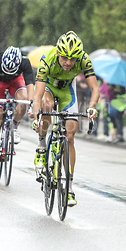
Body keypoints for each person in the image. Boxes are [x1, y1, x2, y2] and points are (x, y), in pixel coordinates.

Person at [32, 31, 99, 207]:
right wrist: (37, 116)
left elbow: (95, 89)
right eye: (65, 58)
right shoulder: (47, 60)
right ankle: (41, 146)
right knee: (47, 106)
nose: (68, 63)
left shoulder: (84, 59)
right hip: (48, 88)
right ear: (59, 54)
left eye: (73, 59)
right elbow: (37, 95)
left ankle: (68, 188)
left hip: (68, 92)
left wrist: (92, 107)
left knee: (70, 137)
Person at [0, 46, 34, 175]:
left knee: (23, 101)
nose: (8, 72)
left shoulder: (25, 61)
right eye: (6, 70)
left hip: (15, 82)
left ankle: (14, 126)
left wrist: (32, 105)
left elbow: (30, 86)